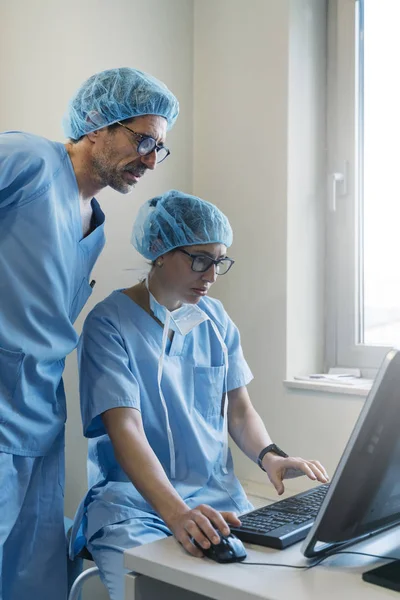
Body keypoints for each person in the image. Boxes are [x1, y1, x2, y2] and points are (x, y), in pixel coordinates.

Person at [71, 189, 329, 600]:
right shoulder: (109, 324)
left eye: (219, 261)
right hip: (134, 507)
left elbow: (239, 412)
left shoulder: (215, 319)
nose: (210, 275)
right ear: (159, 250)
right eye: (200, 260)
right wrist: (178, 514)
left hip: (218, 500)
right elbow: (127, 432)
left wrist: (272, 456)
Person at [0, 67, 179, 600]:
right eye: (143, 139)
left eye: (158, 148)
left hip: (39, 418)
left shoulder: (94, 224)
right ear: (97, 124)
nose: (151, 159)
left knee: (32, 578)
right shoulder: (28, 160)